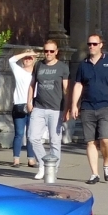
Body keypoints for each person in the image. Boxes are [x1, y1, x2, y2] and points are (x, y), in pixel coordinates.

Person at [70, 34, 108, 185]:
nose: (91, 46)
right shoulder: (83, 64)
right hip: (87, 107)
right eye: (89, 44)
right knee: (90, 142)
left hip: (105, 106)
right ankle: (94, 173)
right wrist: (74, 104)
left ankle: (106, 163)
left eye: (94, 44)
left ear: (100, 45)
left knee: (105, 139)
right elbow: (78, 85)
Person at [26, 40, 70, 180]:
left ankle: (53, 169)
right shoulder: (39, 65)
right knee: (33, 137)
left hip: (56, 109)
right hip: (39, 107)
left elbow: (66, 89)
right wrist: (29, 101)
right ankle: (43, 164)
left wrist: (68, 108)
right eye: (46, 51)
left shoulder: (62, 67)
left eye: (51, 51)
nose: (48, 54)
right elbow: (32, 84)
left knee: (54, 141)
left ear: (56, 52)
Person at [7, 49, 39, 169]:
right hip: (20, 106)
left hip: (34, 105)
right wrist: (25, 53)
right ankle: (16, 159)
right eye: (26, 57)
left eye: (30, 58)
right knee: (19, 133)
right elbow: (11, 60)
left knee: (31, 134)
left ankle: (31, 159)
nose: (27, 59)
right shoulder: (18, 71)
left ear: (34, 60)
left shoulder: (37, 72)